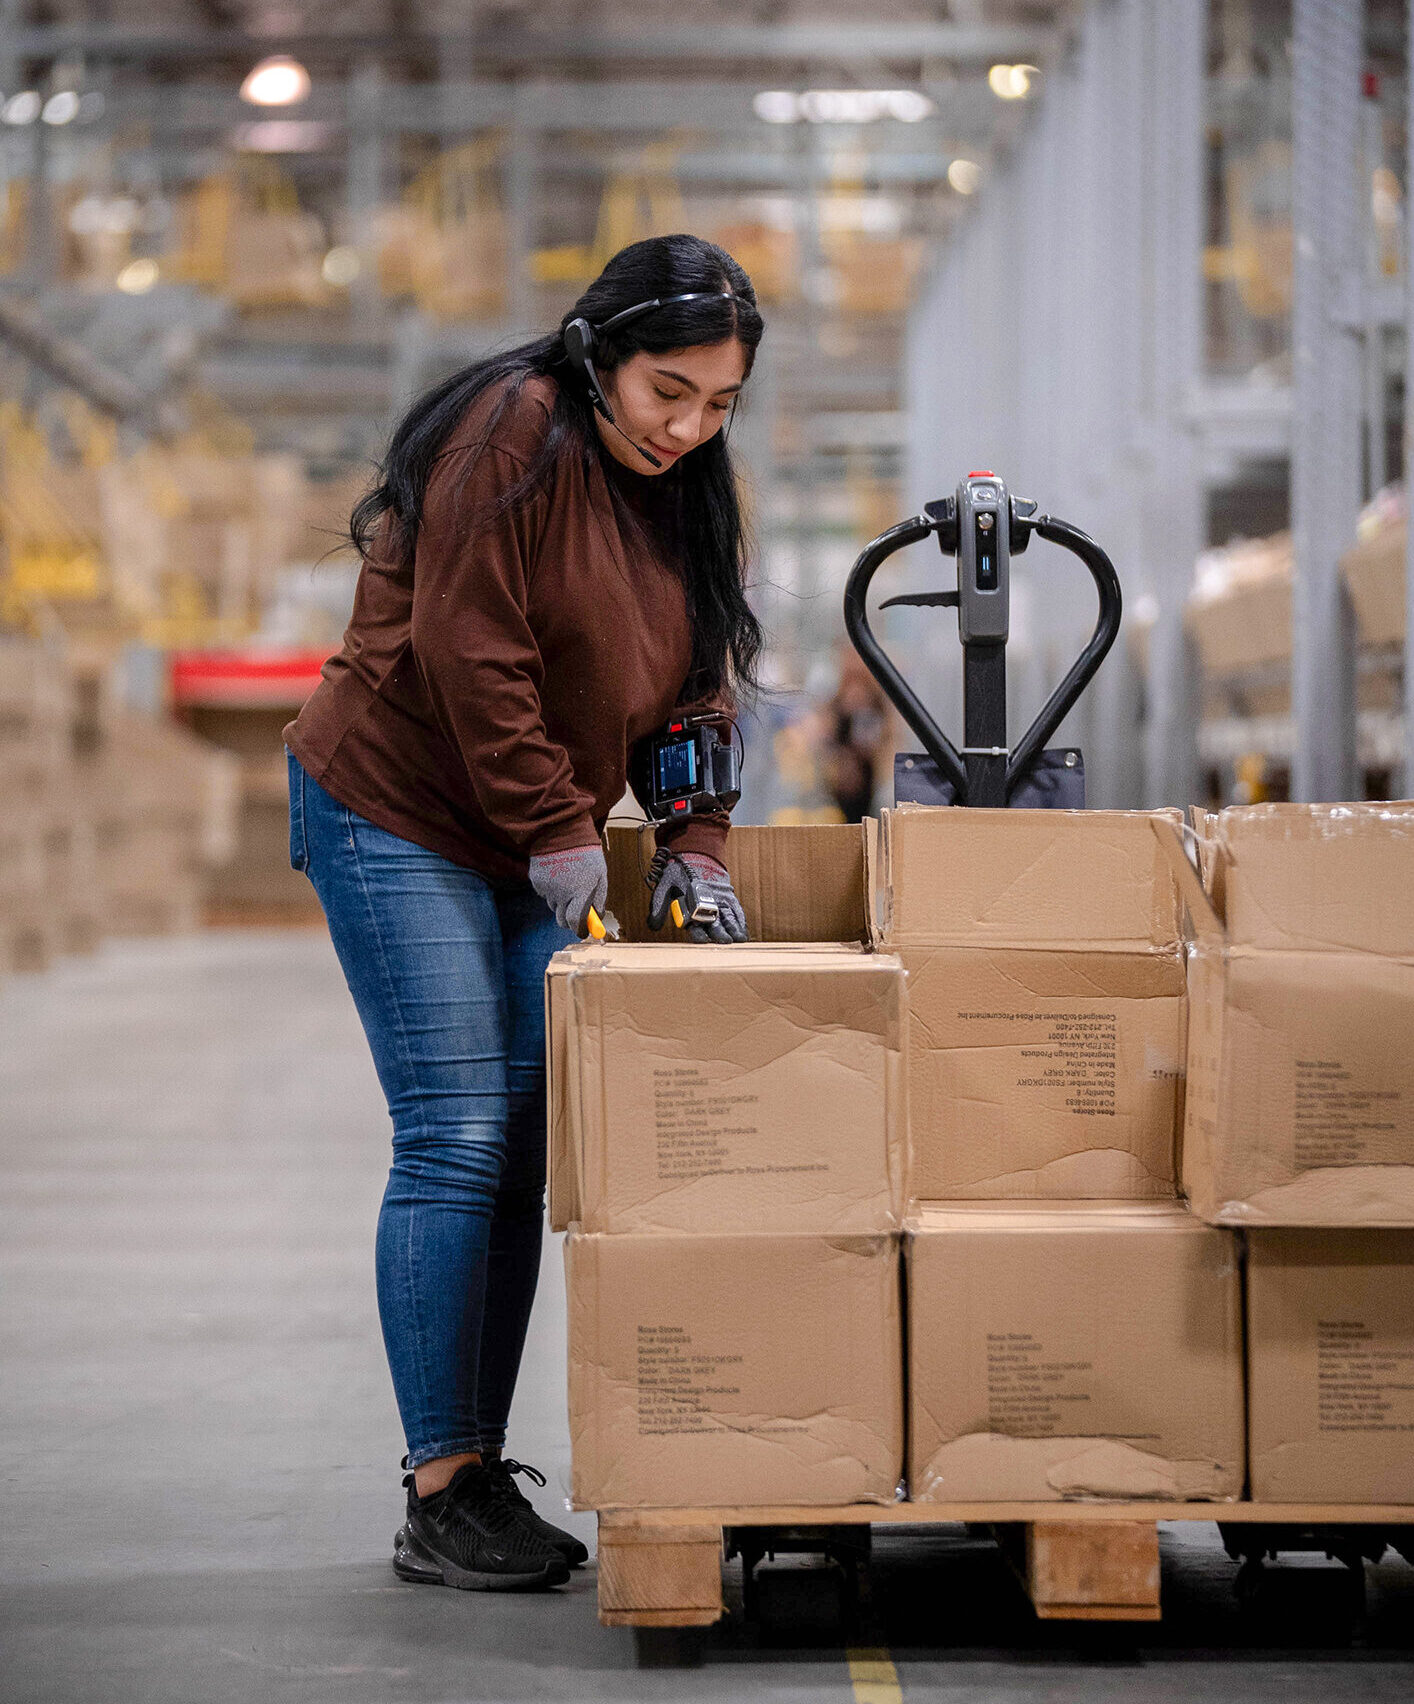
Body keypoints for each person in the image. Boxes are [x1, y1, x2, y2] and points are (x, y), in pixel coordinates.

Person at [283, 234, 763, 1592]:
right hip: (399, 809)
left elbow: (695, 679)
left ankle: (477, 1474)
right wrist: (563, 836)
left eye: (720, 403)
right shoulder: (512, 432)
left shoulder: (680, 487)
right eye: (670, 389)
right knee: (457, 1127)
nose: (689, 426)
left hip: (524, 833)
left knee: (532, 1136)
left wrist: (695, 844)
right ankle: (442, 1485)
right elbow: (472, 653)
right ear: (597, 350)